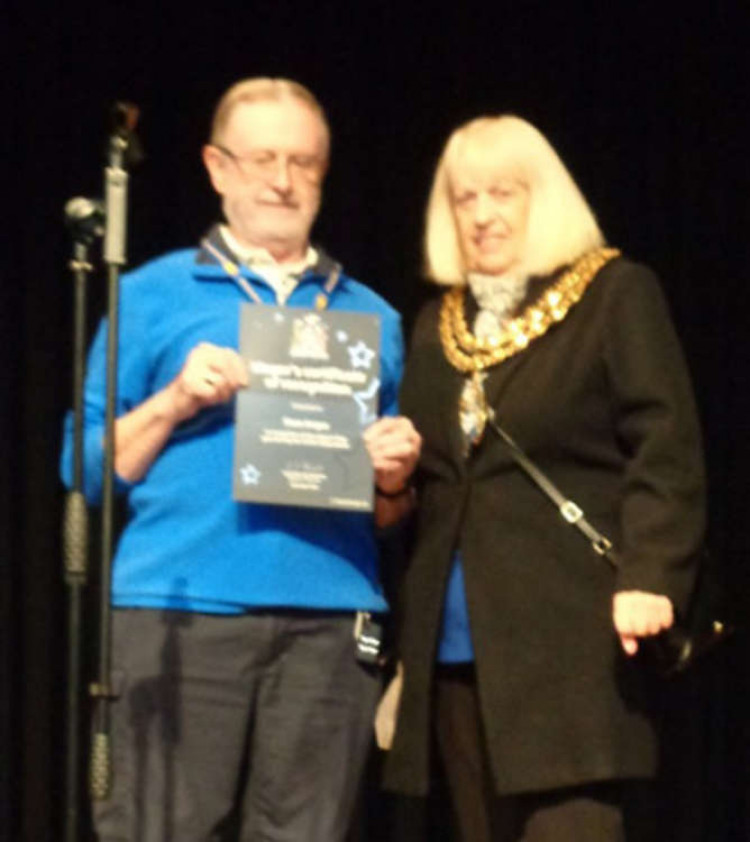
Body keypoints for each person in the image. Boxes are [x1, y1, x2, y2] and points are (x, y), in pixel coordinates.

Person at [61, 77, 420, 842]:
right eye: (262, 159)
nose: (283, 181)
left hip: (329, 625)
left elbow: (391, 516)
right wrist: (175, 401)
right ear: (218, 168)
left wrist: (393, 480)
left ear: (324, 174)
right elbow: (85, 470)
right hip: (177, 615)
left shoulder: (372, 317)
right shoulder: (152, 293)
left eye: (303, 162)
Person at [380, 115, 705, 841]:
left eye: (504, 192)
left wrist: (651, 572)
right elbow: (437, 478)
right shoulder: (437, 323)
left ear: (544, 197)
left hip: (571, 649)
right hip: (456, 652)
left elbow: (666, 448)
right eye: (466, 198)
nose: (484, 214)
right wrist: (391, 480)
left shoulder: (615, 294)